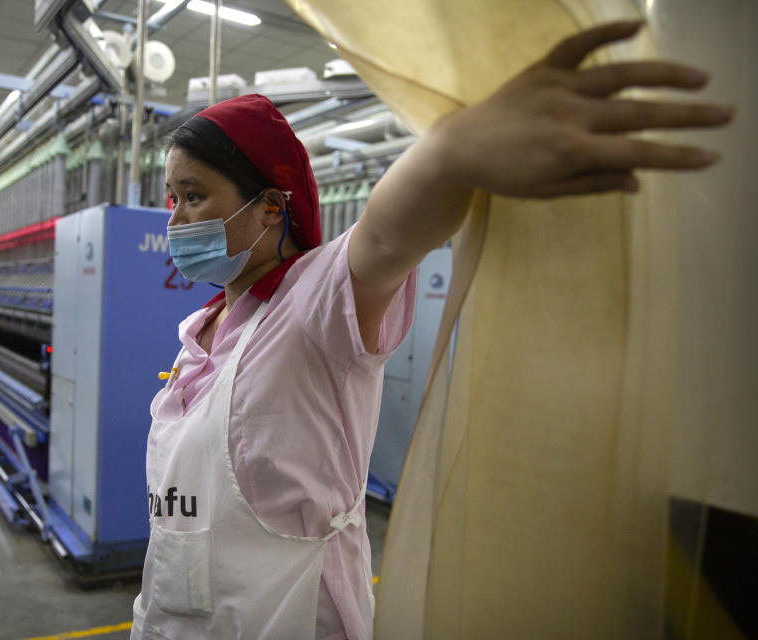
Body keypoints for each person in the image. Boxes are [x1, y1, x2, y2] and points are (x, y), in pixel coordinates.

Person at [131, 21, 733, 640]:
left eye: (195, 195)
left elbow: (388, 233)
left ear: (270, 206)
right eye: (172, 197)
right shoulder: (201, 329)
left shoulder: (312, 301)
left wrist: (453, 152)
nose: (175, 217)